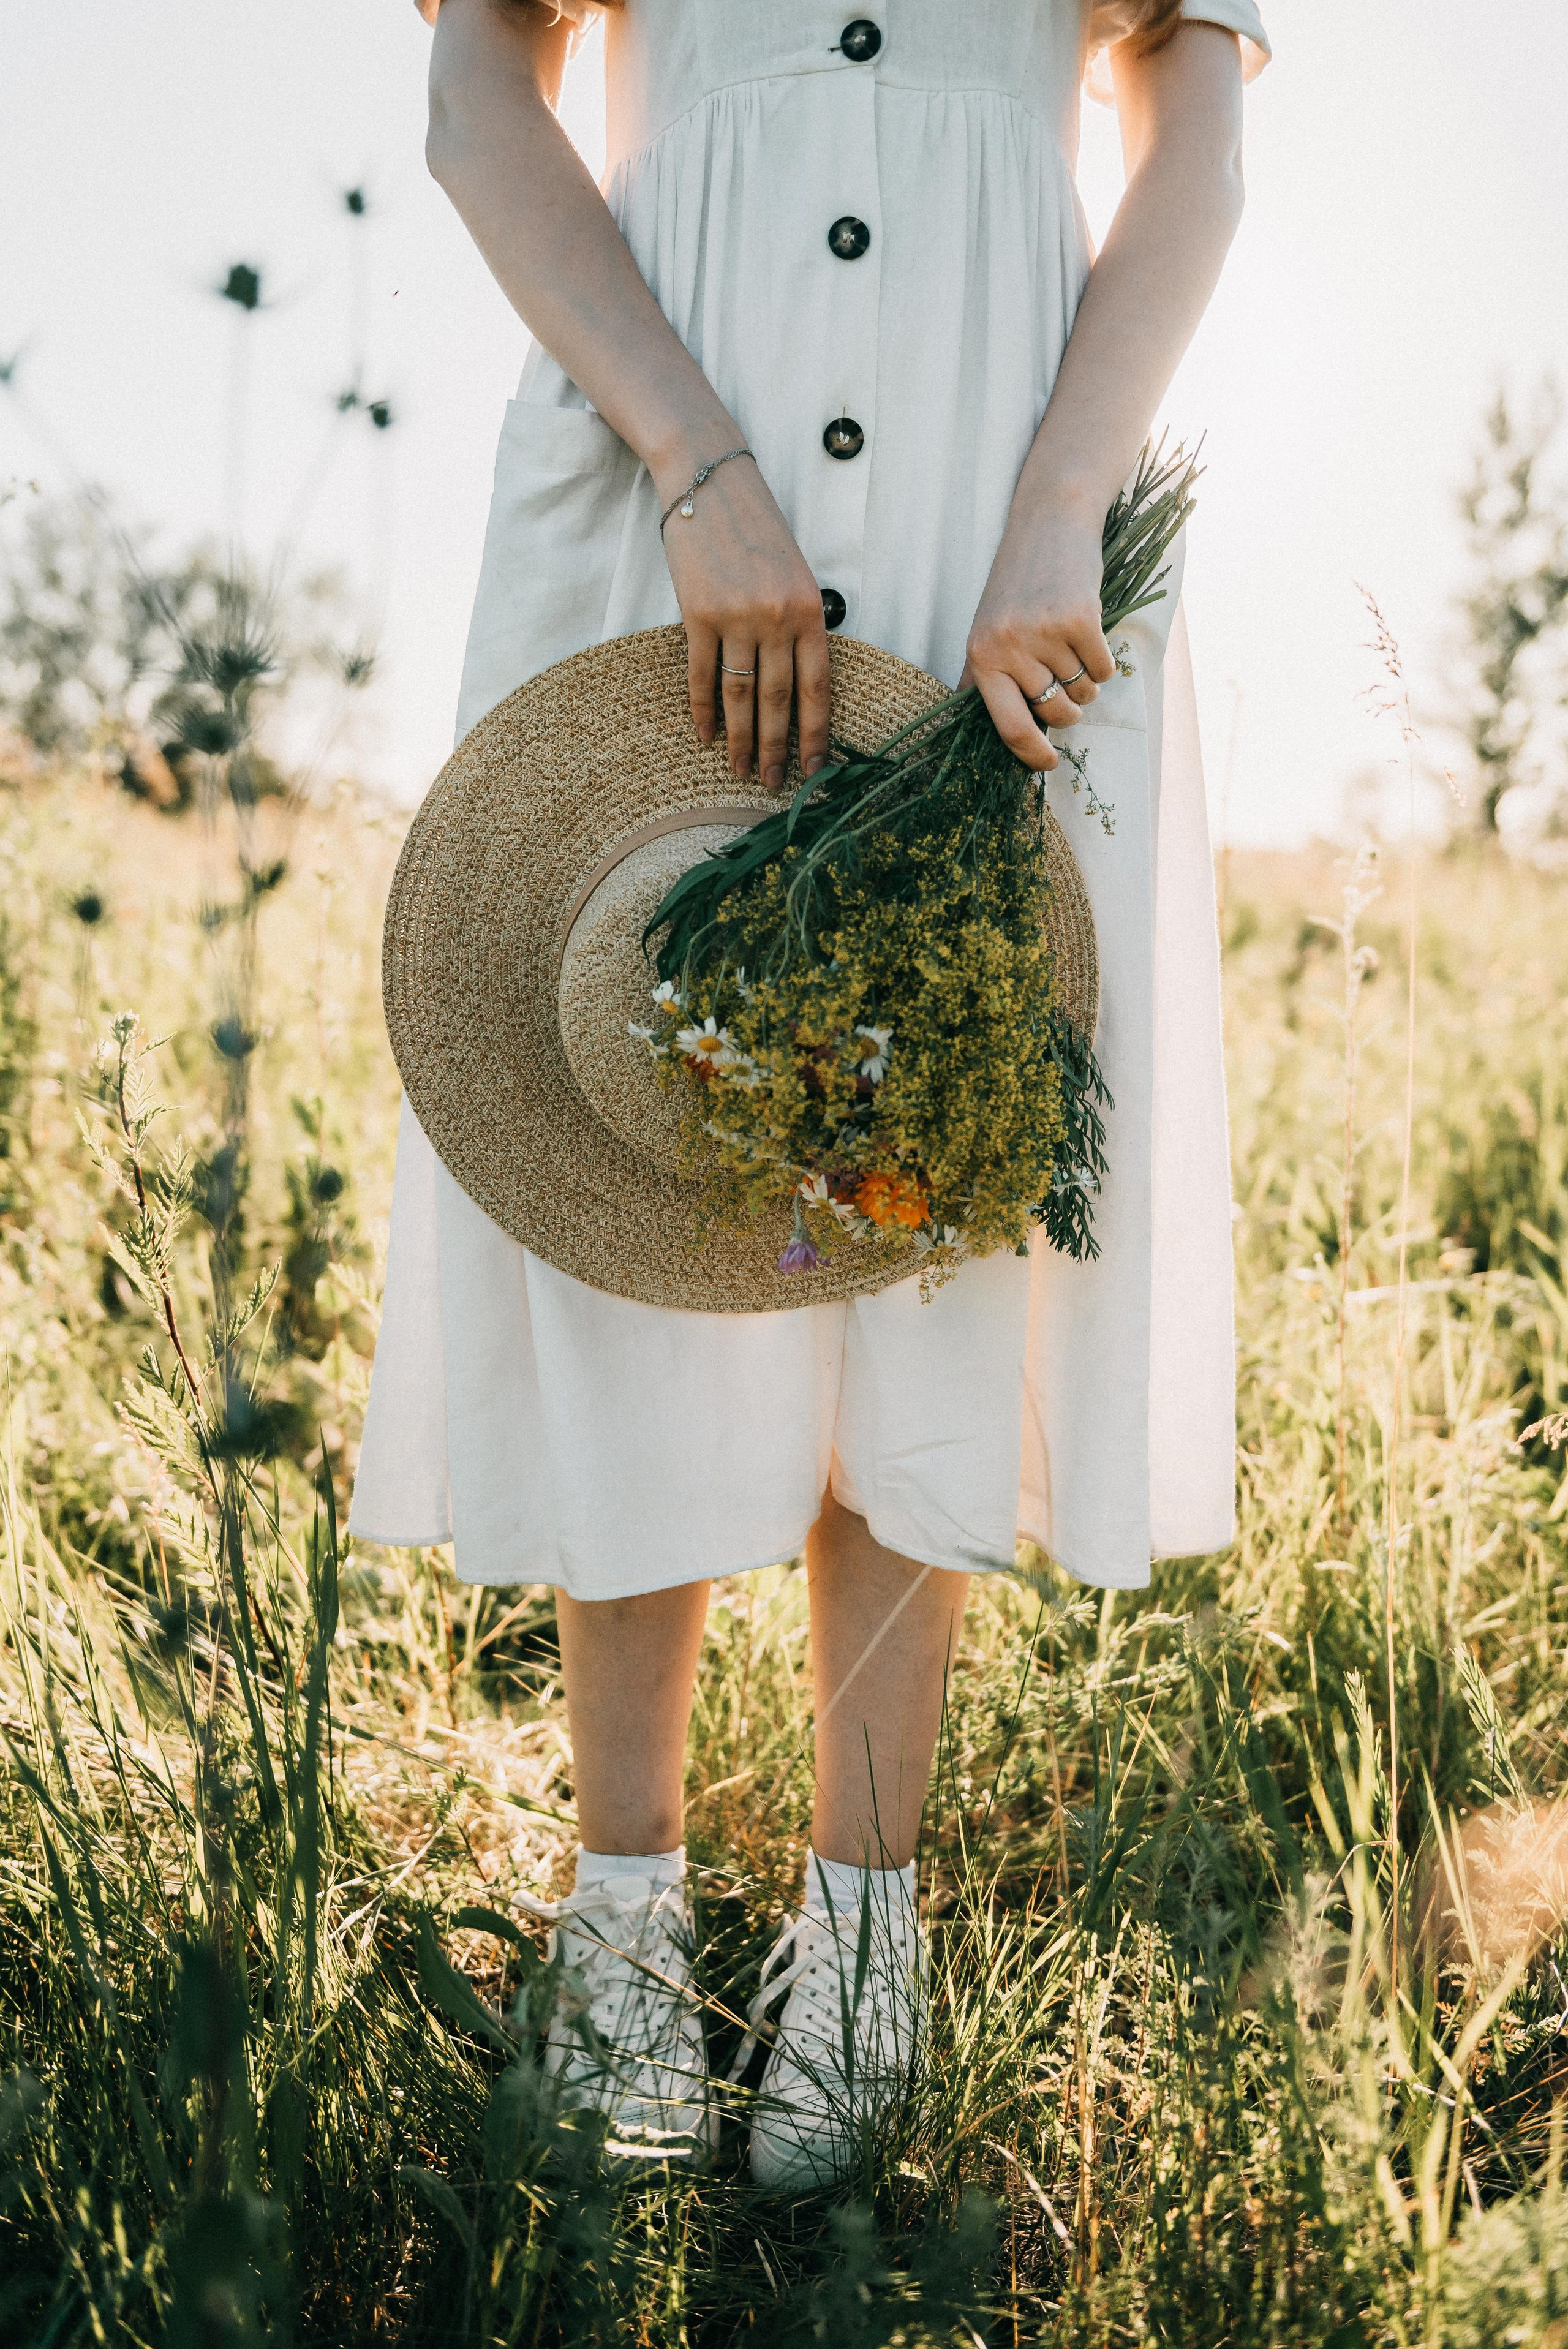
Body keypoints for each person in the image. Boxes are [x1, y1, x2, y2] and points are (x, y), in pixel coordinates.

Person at [353, 0, 1268, 2185]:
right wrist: (693, 456)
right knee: (632, 1155)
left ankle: (866, 1935)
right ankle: (628, 1918)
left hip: (1003, 514)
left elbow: (1196, 137)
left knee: (923, 1179)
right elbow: (483, 84)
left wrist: (1061, 508)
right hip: (666, 464)